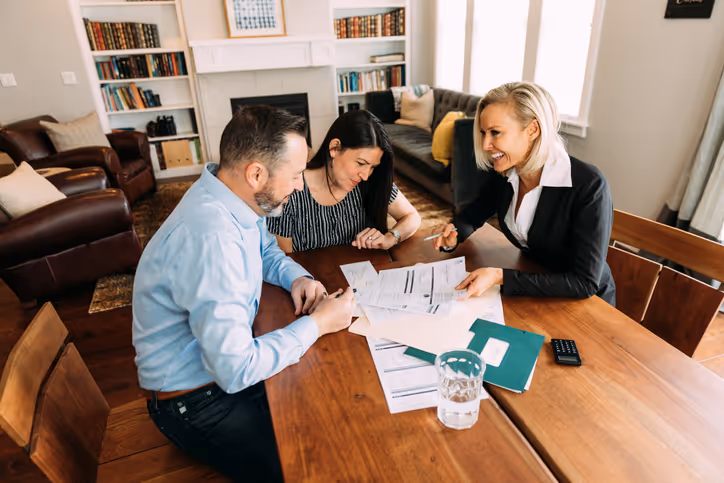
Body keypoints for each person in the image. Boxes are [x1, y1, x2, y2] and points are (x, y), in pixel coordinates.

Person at [132, 106, 356, 482]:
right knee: (314, 462)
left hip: (215, 374)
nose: (301, 185)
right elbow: (236, 370)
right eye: (297, 174)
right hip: (194, 400)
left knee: (329, 408)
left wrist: (296, 277)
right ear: (256, 174)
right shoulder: (213, 240)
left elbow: (265, 249)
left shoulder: (223, 195)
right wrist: (318, 324)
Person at [431, 82, 615, 305]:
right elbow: (477, 211)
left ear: (533, 130)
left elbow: (584, 282)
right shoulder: (506, 169)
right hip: (534, 283)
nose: (486, 144)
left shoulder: (589, 185)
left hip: (585, 304)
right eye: (483, 133)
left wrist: (500, 276)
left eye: (495, 132)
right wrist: (455, 233)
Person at [267, 110, 421, 252]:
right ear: (335, 148)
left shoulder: (372, 181)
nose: (366, 175)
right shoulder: (290, 192)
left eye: (372, 166)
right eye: (360, 163)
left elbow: (412, 217)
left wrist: (391, 237)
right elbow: (284, 261)